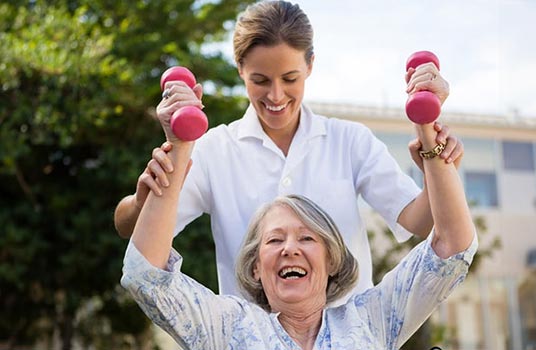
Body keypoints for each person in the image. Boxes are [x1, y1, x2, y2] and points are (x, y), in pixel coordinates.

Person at [114, 0, 464, 301]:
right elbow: (133, 230)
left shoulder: (350, 140)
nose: (276, 96)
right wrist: (143, 202)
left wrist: (437, 160)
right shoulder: (213, 150)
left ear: (310, 65)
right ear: (240, 70)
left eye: (290, 79)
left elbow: (419, 221)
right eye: (260, 81)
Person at [121, 141, 477, 348]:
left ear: (332, 260)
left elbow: (451, 249)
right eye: (274, 240)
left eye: (307, 238)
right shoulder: (227, 326)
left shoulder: (372, 318)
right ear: (256, 267)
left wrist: (432, 147)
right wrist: (179, 146)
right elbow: (145, 275)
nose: (290, 248)